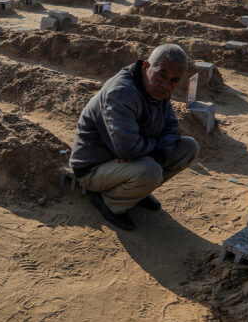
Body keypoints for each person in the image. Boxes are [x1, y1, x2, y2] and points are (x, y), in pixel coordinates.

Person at [69, 44, 199, 231]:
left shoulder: (159, 90)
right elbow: (126, 148)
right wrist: (154, 152)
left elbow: (171, 128)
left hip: (129, 159)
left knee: (188, 148)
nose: (166, 85)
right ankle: (109, 202)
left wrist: (156, 153)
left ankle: (135, 192)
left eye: (174, 81)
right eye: (161, 75)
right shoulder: (121, 92)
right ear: (146, 66)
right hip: (94, 167)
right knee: (150, 170)